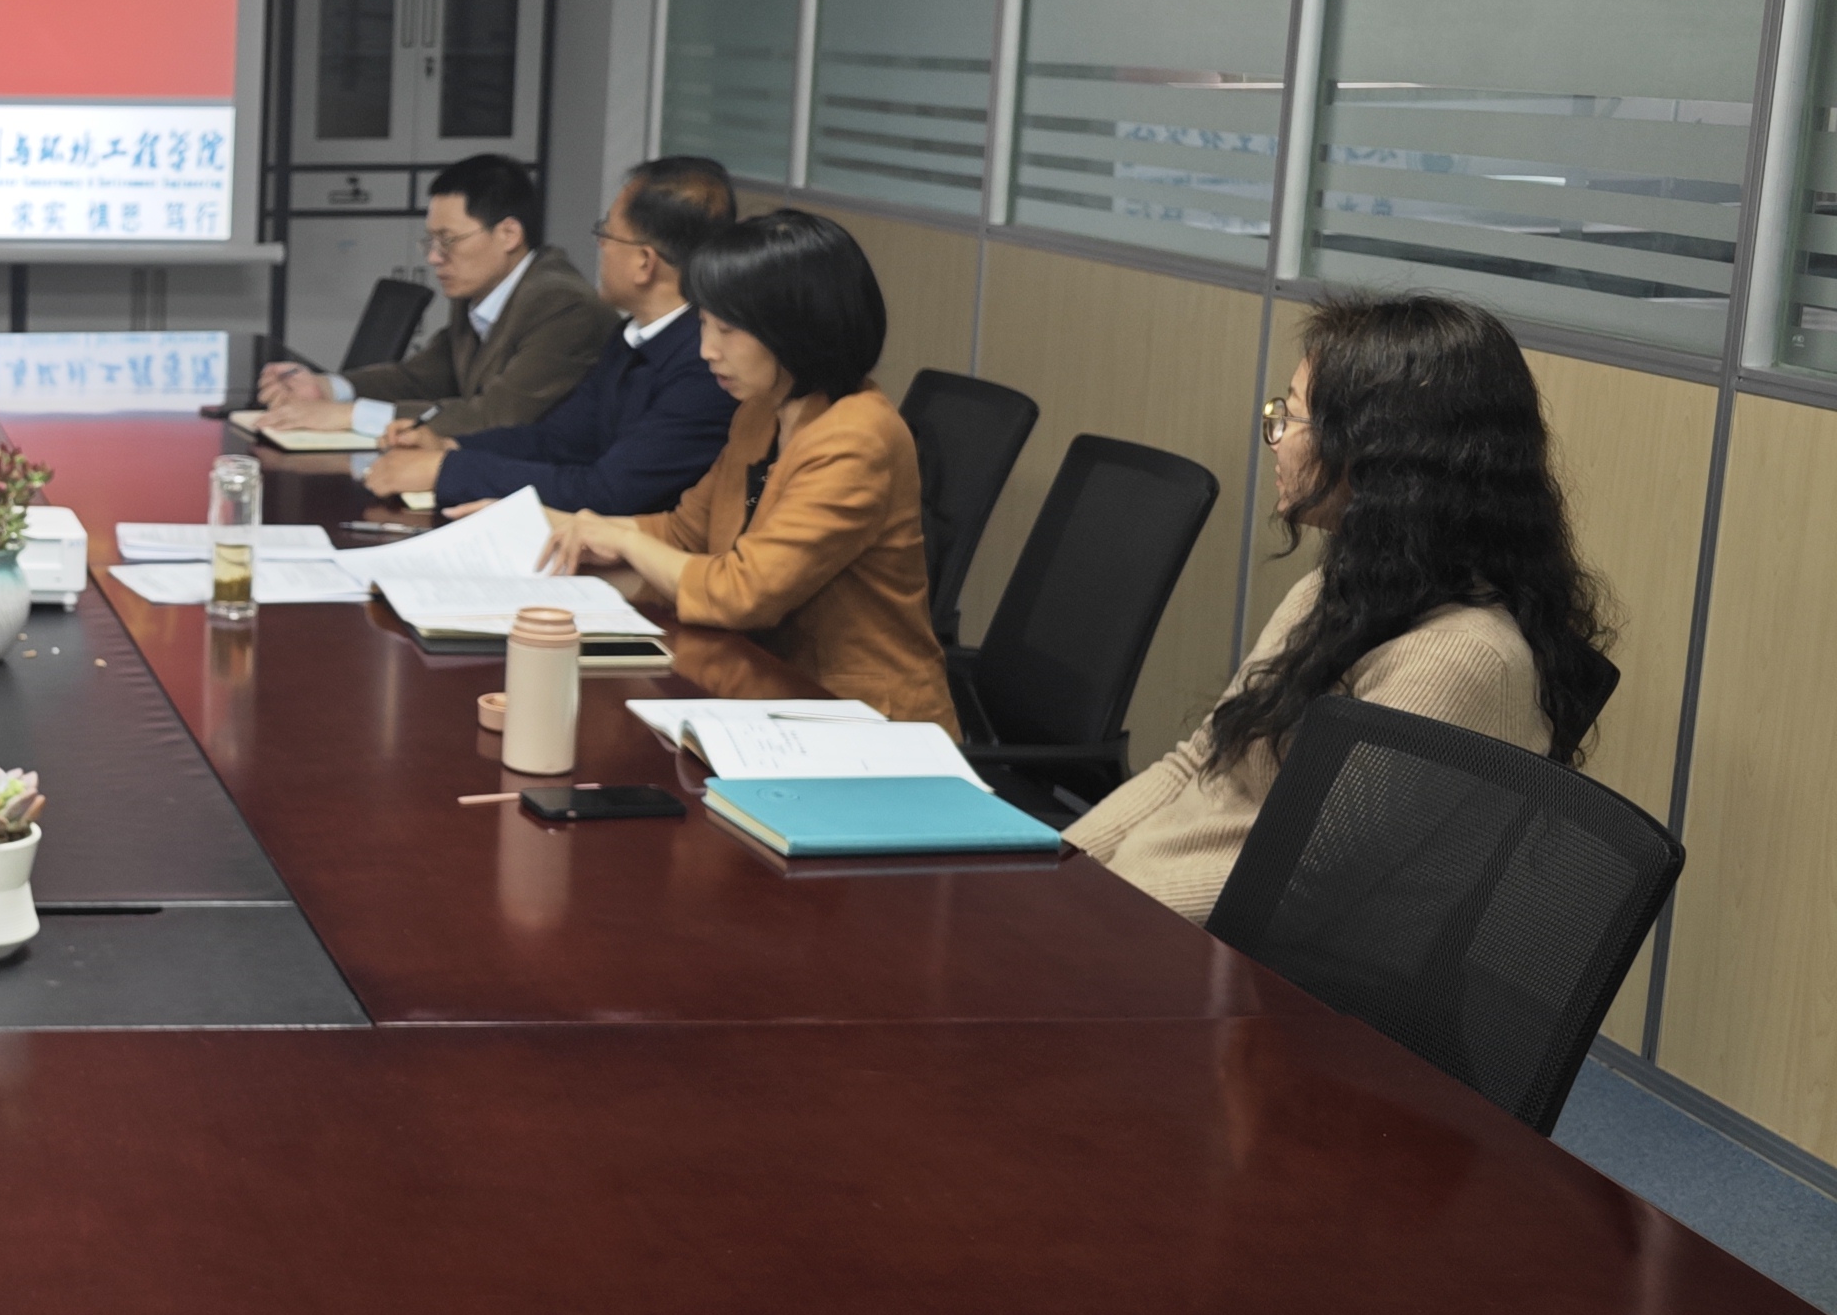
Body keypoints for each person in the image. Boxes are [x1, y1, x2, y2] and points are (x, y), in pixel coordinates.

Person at [1070, 296, 1615, 920]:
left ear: (1382, 454)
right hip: (1143, 915)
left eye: (1293, 416)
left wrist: (1093, 912)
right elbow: (1200, 759)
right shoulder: (1344, 589)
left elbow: (1304, 881)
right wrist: (1049, 865)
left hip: (1230, 953)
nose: (1276, 438)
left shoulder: (1460, 659)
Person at [540, 208, 953, 730]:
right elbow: (685, 533)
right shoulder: (761, 412)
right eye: (704, 323)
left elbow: (743, 594)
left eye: (728, 329)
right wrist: (546, 524)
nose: (707, 351)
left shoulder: (856, 437)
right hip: (766, 689)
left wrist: (621, 541)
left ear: (796, 330)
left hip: (863, 720)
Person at [385, 153, 740, 517]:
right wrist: (451, 447)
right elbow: (557, 441)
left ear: (644, 263)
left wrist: (447, 471)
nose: (600, 247)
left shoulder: (705, 366)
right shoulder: (631, 337)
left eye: (606, 235)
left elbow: (608, 492)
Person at [255, 155, 611, 452]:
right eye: (431, 242)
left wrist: (349, 415)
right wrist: (328, 388)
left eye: (448, 241)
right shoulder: (483, 288)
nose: (434, 258)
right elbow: (420, 378)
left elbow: (497, 417)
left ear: (509, 234)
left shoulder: (563, 307)